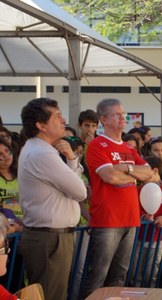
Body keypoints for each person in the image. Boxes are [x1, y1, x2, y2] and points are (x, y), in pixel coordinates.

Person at [80, 98, 154, 298]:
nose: (124, 118)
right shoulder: (97, 145)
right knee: (98, 276)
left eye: (124, 113)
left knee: (119, 276)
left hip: (130, 218)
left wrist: (127, 168)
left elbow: (151, 174)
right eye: (117, 114)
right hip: (107, 220)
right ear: (103, 119)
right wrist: (134, 174)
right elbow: (110, 176)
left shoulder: (129, 148)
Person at [18, 97, 87, 300]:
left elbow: (74, 189)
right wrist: (73, 161)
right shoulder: (42, 153)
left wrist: (72, 159)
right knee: (51, 295)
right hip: (50, 238)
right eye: (57, 116)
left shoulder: (39, 149)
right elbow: (80, 191)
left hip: (51, 236)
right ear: (41, 125)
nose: (63, 119)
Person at [132, 156, 162, 287]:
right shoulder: (139, 189)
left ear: (154, 171)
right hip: (140, 236)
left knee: (151, 272)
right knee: (135, 271)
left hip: (160, 237)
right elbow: (135, 208)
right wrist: (144, 216)